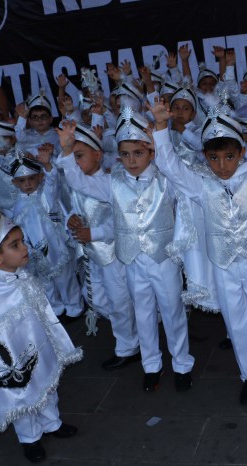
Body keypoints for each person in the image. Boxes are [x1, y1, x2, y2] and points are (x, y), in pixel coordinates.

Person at [151, 97, 247, 405]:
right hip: (223, 265)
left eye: (229, 156)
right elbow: (170, 167)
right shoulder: (201, 184)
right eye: (214, 158)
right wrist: (159, 127)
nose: (222, 165)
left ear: (242, 152)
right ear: (205, 156)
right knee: (235, 323)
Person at [56, 109, 195, 392]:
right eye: (125, 154)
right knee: (143, 313)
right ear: (117, 156)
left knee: (172, 311)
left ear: (151, 153)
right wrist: (67, 151)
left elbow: (177, 168)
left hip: (163, 258)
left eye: (138, 153)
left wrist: (160, 132)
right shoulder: (113, 183)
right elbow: (79, 181)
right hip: (132, 261)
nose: (132, 160)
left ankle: (181, 363)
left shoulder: (166, 180)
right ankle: (151, 365)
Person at [0, 209, 81, 463]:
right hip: (14, 358)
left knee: (47, 381)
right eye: (15, 245)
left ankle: (52, 422)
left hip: (38, 345)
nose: (24, 248)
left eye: (22, 241)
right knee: (22, 394)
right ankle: (29, 437)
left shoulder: (21, 275)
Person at [54, 123, 140, 371]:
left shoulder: (110, 182)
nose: (76, 162)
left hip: (113, 255)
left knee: (118, 301)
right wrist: (71, 219)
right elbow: (74, 206)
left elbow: (123, 221)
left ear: (98, 155)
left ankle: (128, 347)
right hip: (92, 255)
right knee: (97, 300)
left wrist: (94, 233)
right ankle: (135, 326)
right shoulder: (80, 184)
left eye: (79, 156)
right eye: (74, 157)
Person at [6, 152, 83, 320]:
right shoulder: (18, 204)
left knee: (65, 279)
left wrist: (47, 165)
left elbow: (52, 182)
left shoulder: (46, 195)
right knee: (45, 281)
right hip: (34, 250)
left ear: (40, 177)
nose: (27, 184)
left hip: (56, 247)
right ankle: (55, 309)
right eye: (21, 180)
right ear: (14, 182)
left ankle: (74, 307)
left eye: (31, 178)